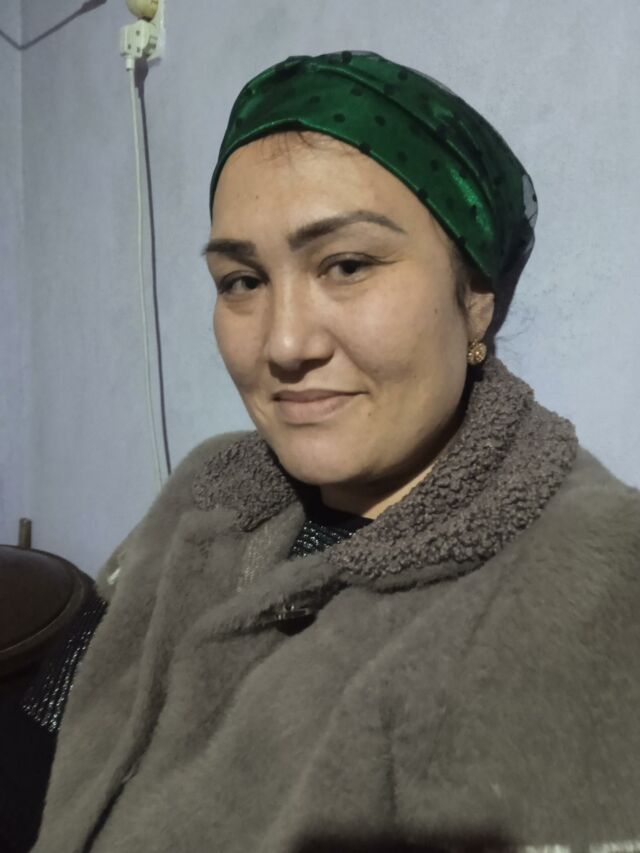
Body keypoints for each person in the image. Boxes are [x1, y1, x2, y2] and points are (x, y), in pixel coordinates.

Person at [32, 50, 640, 853]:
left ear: (476, 299)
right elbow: (41, 752)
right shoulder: (207, 493)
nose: (284, 344)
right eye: (242, 280)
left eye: (347, 265)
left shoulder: (603, 578)